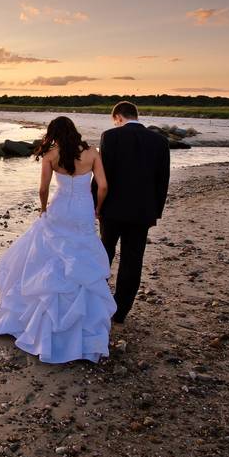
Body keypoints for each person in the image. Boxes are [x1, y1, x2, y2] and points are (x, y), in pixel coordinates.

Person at [0, 116, 116, 363]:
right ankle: (83, 329)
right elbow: (103, 186)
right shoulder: (91, 153)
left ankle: (45, 323)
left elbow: (43, 188)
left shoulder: (50, 155)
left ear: (53, 133)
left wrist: (43, 208)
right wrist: (98, 209)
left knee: (52, 259)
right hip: (82, 210)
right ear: (74, 131)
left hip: (59, 209)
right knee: (81, 259)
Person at [95, 101, 170, 324]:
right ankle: (121, 311)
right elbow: (162, 179)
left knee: (103, 254)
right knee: (133, 259)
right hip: (143, 212)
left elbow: (102, 176)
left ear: (118, 117)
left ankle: (97, 301)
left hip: (112, 210)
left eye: (115, 121)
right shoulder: (160, 140)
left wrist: (95, 205)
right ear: (136, 115)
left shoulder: (110, 137)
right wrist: (156, 211)